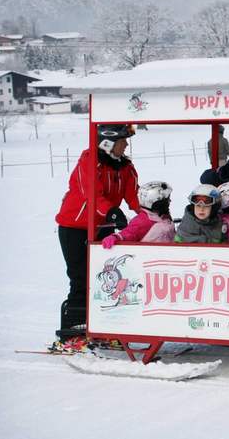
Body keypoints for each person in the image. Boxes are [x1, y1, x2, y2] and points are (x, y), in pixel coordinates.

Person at [53, 124, 140, 341]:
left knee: (106, 280)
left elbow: (133, 196)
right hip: (75, 227)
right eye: (123, 141)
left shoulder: (125, 168)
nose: (126, 145)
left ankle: (103, 326)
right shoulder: (90, 161)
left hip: (104, 228)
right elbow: (90, 193)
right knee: (81, 277)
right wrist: (111, 212)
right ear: (108, 143)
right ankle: (74, 329)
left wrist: (151, 211)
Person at [101, 181, 175, 247]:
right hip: (148, 258)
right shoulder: (143, 221)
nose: (170, 201)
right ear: (156, 203)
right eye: (167, 200)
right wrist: (117, 237)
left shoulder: (164, 217)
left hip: (168, 257)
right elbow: (130, 233)